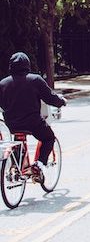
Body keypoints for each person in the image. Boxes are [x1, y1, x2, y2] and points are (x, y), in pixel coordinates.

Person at [0, 52, 66, 183]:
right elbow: (49, 97)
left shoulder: (3, 83)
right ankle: (38, 166)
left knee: (18, 139)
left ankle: (15, 167)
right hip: (33, 123)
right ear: (27, 65)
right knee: (48, 138)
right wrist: (61, 101)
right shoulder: (35, 80)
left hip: (11, 124)